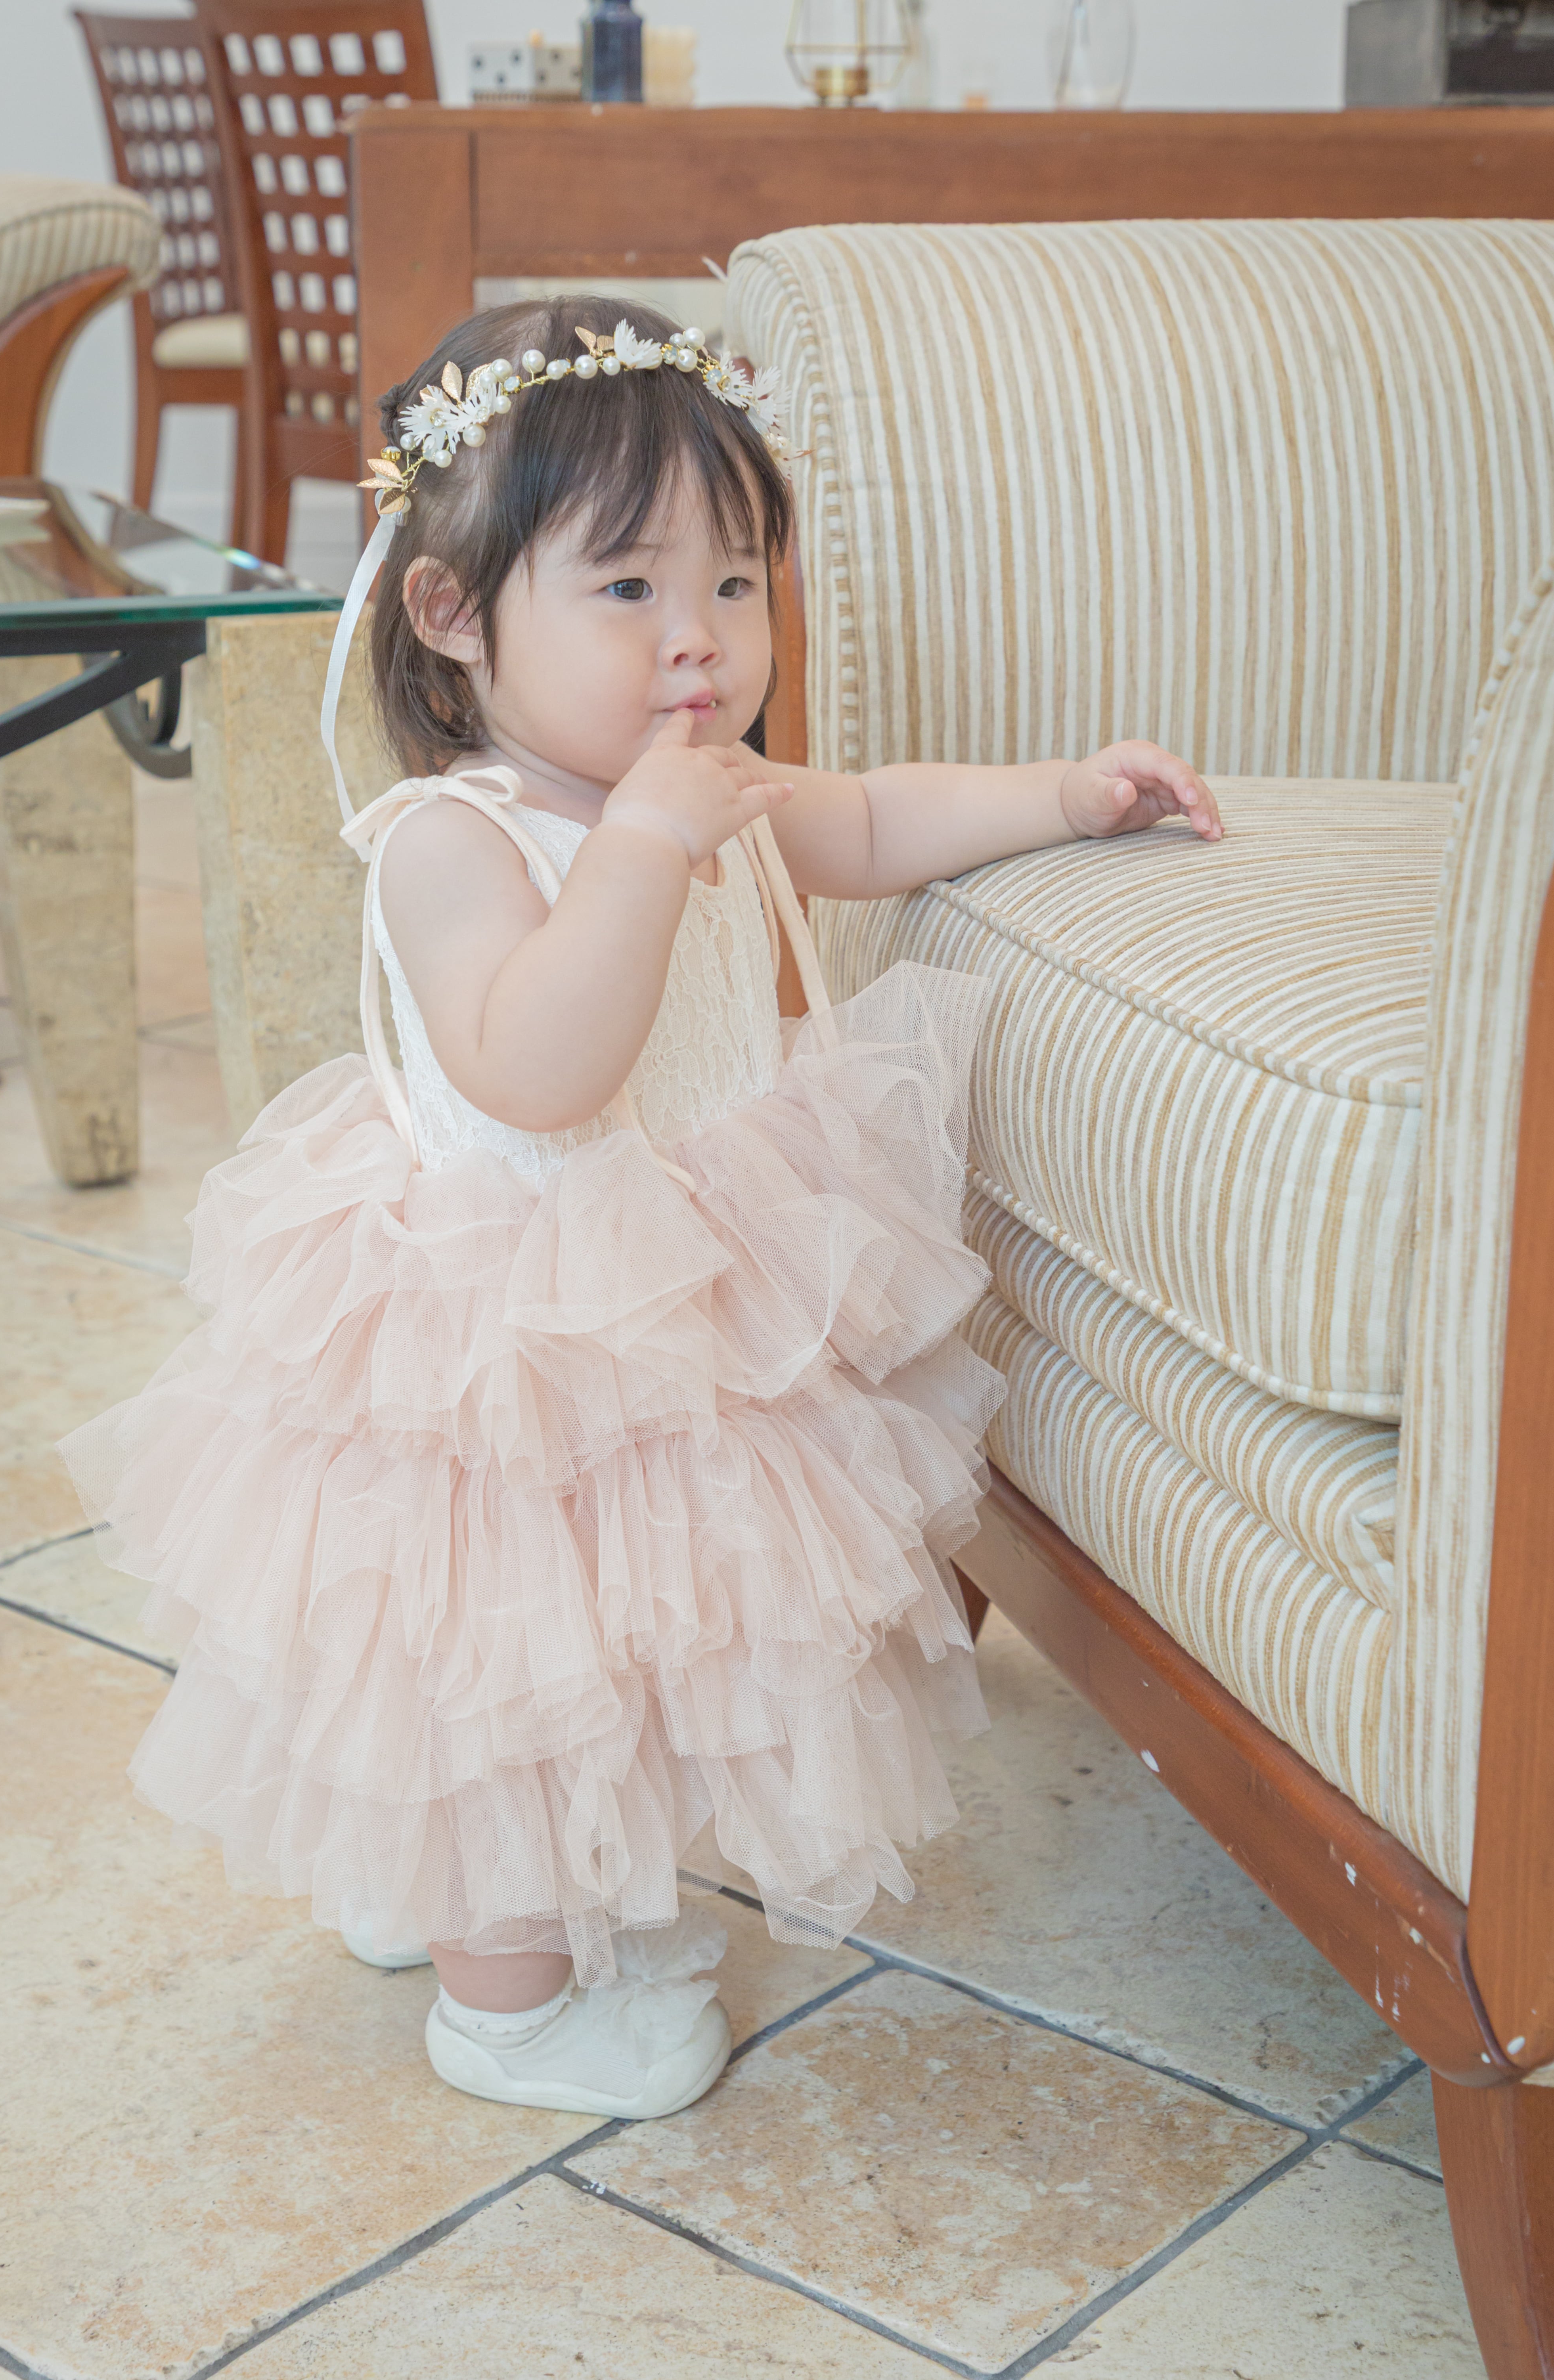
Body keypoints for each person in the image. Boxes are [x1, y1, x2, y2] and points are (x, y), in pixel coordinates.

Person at [62, 296, 1221, 2126]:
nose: (701, 638)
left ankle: (443, 1889)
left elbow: (867, 821)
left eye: (735, 581)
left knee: (634, 1652)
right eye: (626, 587)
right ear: (453, 616)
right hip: (511, 1335)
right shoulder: (454, 839)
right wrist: (643, 848)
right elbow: (539, 1064)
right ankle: (506, 2004)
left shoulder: (707, 786)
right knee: (505, 1664)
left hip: (677, 1276)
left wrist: (1064, 795)